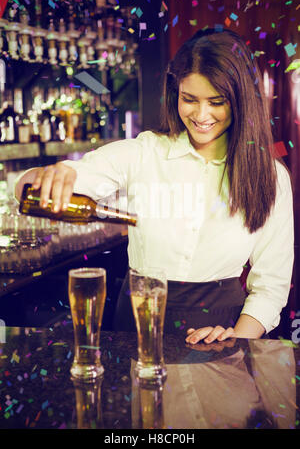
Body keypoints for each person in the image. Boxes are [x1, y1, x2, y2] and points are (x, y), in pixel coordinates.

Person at [15, 28, 294, 344]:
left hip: (221, 331)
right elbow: (27, 189)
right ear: (176, 92)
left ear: (241, 100)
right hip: (137, 321)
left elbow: (271, 283)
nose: (202, 115)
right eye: (189, 99)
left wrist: (236, 339)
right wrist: (48, 177)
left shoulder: (270, 176)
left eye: (217, 102)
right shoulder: (143, 153)